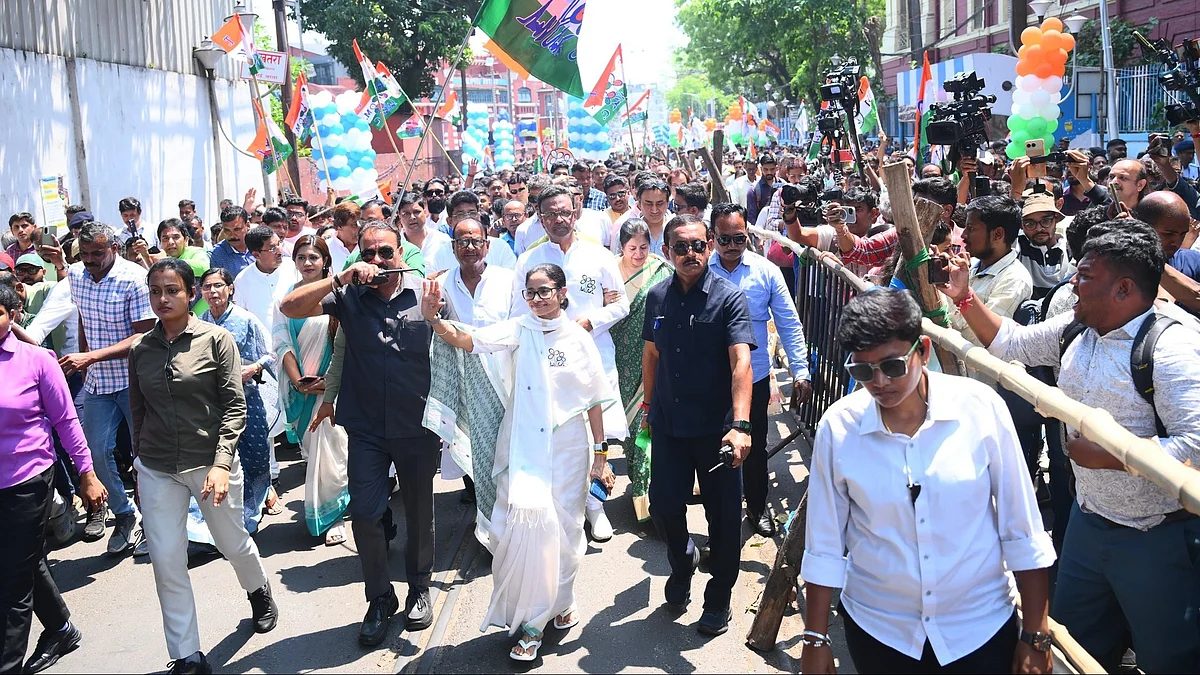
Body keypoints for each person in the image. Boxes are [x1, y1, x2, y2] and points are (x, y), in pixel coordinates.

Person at [938, 219, 1200, 673]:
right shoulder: (1076, 328)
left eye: (1085, 276)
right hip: (1089, 520)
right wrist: (964, 296)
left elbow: (1195, 446)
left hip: (1157, 537)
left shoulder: (1171, 347)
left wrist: (1108, 455)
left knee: (1168, 657)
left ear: (1123, 289)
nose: (1073, 284)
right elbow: (1010, 343)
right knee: (1074, 646)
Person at [799, 288, 1056, 675]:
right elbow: (824, 541)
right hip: (880, 631)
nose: (880, 382)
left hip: (980, 627)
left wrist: (1036, 632)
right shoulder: (838, 427)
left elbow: (1022, 526)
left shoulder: (981, 408)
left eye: (892, 366)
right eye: (863, 371)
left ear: (922, 350)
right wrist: (816, 639)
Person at [420, 263, 617, 662]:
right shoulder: (519, 328)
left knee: (564, 531)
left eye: (545, 291)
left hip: (566, 448)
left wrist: (601, 455)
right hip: (522, 446)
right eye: (531, 292)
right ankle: (531, 620)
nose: (538, 299)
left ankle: (555, 605)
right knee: (520, 531)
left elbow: (594, 401)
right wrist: (436, 320)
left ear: (563, 293)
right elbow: (471, 339)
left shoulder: (578, 340)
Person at [279, 220, 440, 647]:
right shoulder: (348, 296)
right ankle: (380, 597)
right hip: (365, 426)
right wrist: (341, 277)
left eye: (385, 252)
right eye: (368, 253)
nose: (377, 261)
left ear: (400, 252)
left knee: (420, 513)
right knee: (366, 514)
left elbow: (454, 347)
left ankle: (419, 588)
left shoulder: (424, 291)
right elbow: (290, 308)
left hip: (417, 425)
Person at [130, 259, 278, 675]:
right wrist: (139, 462)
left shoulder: (216, 339)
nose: (163, 298)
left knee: (232, 543)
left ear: (190, 293)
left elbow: (234, 407)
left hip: (210, 464)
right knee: (166, 559)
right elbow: (138, 408)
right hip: (158, 467)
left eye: (172, 290)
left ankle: (258, 588)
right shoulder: (141, 348)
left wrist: (221, 461)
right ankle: (188, 656)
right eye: (156, 290)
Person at [642, 213, 755, 636]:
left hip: (718, 430)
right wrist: (648, 407)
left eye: (697, 245)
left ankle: (719, 597)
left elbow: (741, 361)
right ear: (667, 252)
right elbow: (652, 356)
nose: (690, 254)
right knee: (663, 506)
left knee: (724, 520)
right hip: (669, 424)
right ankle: (683, 559)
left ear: (709, 245)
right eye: (680, 247)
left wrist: (741, 425)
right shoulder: (656, 297)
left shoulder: (729, 298)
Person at [514, 184, 630, 542]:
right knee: (561, 438)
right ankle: (564, 512)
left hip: (593, 352)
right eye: (550, 214)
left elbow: (620, 304)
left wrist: (587, 323)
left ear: (576, 211)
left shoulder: (598, 255)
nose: (559, 220)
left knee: (599, 435)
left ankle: (596, 509)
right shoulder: (529, 259)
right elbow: (517, 313)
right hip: (547, 360)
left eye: (565, 212)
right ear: (539, 216)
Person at [1, 284, 105, 674]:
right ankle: (61, 629)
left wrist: (87, 473)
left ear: (12, 316)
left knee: (12, 583)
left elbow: (65, 420)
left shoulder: (37, 360)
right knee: (21, 563)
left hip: (27, 480)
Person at [708, 203, 811, 537]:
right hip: (708, 376)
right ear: (713, 237)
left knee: (754, 447)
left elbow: (789, 324)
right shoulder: (698, 270)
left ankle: (755, 505)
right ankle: (719, 512)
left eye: (739, 238)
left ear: (747, 233)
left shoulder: (767, 272)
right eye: (725, 240)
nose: (732, 246)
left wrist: (801, 372)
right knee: (710, 444)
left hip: (755, 376)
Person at [62, 222, 154, 553]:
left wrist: (91, 356)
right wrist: (88, 364)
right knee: (95, 453)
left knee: (143, 457)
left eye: (97, 253)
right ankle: (123, 514)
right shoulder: (75, 276)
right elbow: (86, 319)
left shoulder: (134, 279)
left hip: (133, 383)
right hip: (98, 383)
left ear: (113, 247)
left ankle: (150, 522)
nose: (90, 260)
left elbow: (143, 336)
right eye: (84, 254)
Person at [272, 236, 349, 546]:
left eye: (313, 257)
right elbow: (281, 342)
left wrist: (327, 381)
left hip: (333, 388)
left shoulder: (339, 296)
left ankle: (333, 516)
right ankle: (339, 501)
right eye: (301, 257)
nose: (307, 262)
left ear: (325, 261)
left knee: (329, 450)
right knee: (313, 452)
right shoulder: (289, 298)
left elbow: (345, 343)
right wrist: (296, 380)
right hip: (303, 388)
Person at [198, 269, 277, 537]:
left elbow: (270, 353)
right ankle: (222, 518)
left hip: (247, 397)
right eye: (207, 287)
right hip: (212, 402)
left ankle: (252, 511)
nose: (213, 292)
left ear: (230, 288)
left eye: (218, 286)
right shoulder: (199, 323)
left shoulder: (246, 319)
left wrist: (253, 368)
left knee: (254, 455)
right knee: (219, 458)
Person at [609, 218, 673, 522]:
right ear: (622, 247)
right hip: (617, 361)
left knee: (644, 428)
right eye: (632, 248)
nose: (638, 253)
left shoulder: (662, 271)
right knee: (627, 430)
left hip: (653, 360)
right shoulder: (606, 272)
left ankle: (648, 504)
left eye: (644, 247)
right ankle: (639, 486)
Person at [233, 226, 301, 341]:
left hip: (298, 341)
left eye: (279, 244)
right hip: (264, 350)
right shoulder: (242, 280)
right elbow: (240, 319)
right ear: (256, 255)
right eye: (272, 248)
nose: (280, 251)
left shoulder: (294, 268)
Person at [1016, 192, 1073, 300]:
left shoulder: (1070, 249)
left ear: (1056, 219)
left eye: (1045, 221)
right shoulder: (1018, 248)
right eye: (1030, 223)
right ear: (1022, 226)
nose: (1039, 229)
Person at [154, 218, 212, 314]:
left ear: (186, 240)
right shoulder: (160, 258)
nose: (171, 242)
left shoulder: (195, 252)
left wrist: (169, 262)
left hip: (200, 312)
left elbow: (203, 267)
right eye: (165, 238)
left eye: (176, 237)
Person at [209, 207, 256, 279]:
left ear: (248, 226)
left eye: (237, 229)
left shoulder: (260, 245)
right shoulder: (216, 255)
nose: (232, 235)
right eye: (227, 230)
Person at [324, 201, 361, 272]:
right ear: (339, 226)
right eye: (354, 224)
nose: (359, 228)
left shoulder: (368, 246)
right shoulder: (325, 248)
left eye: (361, 223)